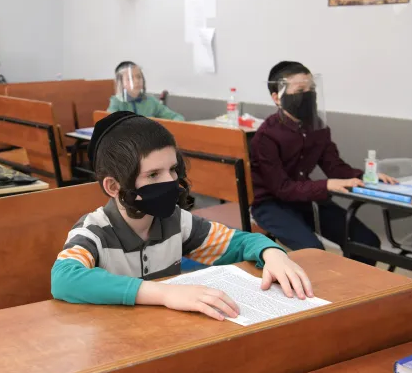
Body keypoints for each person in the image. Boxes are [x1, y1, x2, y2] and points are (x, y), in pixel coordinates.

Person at [51, 111, 313, 318]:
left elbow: (240, 242)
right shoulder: (94, 231)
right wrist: (165, 294)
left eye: (173, 169)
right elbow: (64, 279)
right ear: (113, 186)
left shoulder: (176, 222)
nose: (170, 181)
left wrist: (273, 254)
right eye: (153, 174)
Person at [249, 61, 395, 265]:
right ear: (277, 97)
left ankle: (351, 283)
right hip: (271, 205)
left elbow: (335, 166)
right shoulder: (266, 136)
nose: (309, 95)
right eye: (300, 90)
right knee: (314, 252)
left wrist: (366, 177)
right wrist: (326, 185)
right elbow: (281, 188)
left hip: (305, 199)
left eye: (312, 89)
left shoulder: (317, 127)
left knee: (366, 241)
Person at [106, 61, 184, 120]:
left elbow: (176, 117)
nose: (136, 81)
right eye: (130, 78)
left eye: (139, 77)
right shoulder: (116, 102)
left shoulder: (151, 101)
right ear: (121, 83)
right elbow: (109, 124)